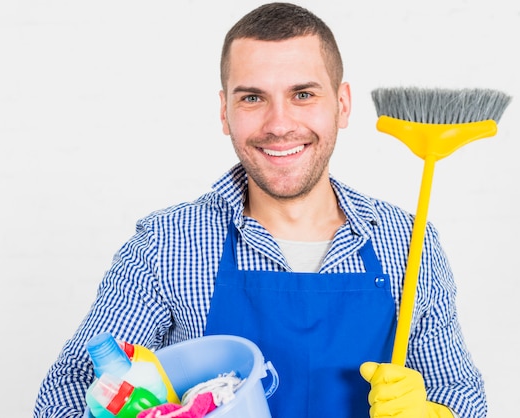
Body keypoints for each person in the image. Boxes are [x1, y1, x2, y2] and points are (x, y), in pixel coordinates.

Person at [34, 3, 486, 417]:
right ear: (225, 111)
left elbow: (460, 395)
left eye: (303, 94)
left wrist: (434, 414)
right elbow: (67, 393)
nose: (279, 124)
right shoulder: (166, 245)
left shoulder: (407, 242)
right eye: (252, 98)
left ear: (342, 105)